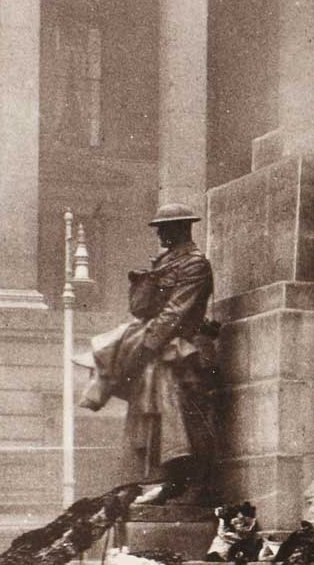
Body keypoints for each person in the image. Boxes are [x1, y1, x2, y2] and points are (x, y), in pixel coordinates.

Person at [85, 202, 219, 504]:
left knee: (186, 419)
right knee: (160, 419)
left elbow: (176, 311)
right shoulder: (163, 263)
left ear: (181, 228)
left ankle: (193, 487)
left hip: (185, 352)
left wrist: (145, 346)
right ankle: (171, 483)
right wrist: (146, 280)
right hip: (161, 351)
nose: (159, 233)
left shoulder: (195, 264)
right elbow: (140, 309)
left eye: (164, 228)